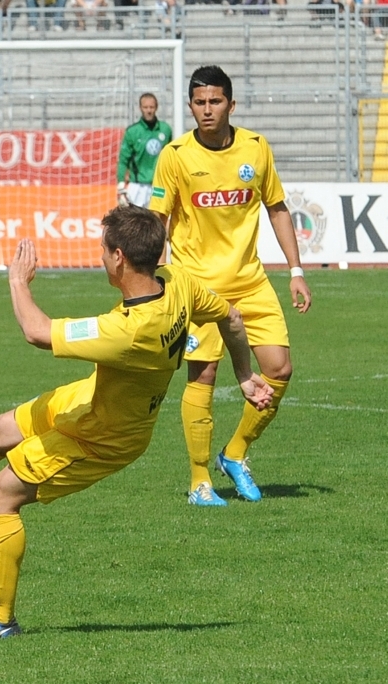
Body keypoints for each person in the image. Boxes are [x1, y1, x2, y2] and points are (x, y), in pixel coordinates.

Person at [0, 205, 273, 639]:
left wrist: (17, 281)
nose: (100, 255)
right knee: (0, 431)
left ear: (119, 256)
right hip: (91, 399)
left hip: (104, 437)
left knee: (0, 498)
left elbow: (38, 331)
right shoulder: (178, 281)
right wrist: (244, 374)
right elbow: (231, 318)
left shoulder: (129, 330)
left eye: (103, 248)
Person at [149, 65, 312, 507]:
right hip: (197, 287)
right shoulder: (175, 155)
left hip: (250, 281)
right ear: (190, 107)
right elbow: (157, 221)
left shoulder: (256, 148)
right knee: (203, 374)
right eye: (199, 102)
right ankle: (200, 481)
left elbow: (277, 208)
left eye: (215, 101)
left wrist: (296, 271)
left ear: (231, 105)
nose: (207, 110)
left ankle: (235, 453)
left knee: (279, 369)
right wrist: (158, 280)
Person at [116, 93, 172, 209]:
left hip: (158, 185)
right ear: (140, 108)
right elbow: (123, 159)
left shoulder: (165, 129)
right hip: (137, 186)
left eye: (151, 107)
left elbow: (171, 158)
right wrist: (121, 185)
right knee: (134, 218)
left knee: (158, 216)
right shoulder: (132, 131)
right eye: (145, 107)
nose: (149, 110)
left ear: (156, 107)